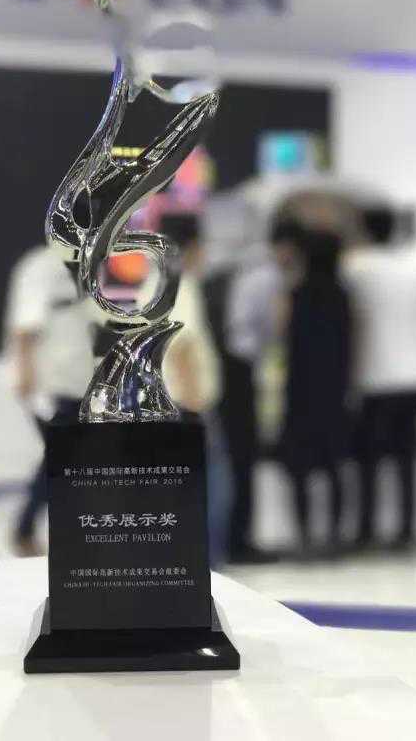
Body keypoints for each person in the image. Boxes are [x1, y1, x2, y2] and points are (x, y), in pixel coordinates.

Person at [345, 206, 416, 549]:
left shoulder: (357, 266)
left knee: (368, 459)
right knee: (406, 457)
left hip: (375, 376)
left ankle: (366, 530)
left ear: (364, 230)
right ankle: (406, 531)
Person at [5, 245, 94, 557]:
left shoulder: (89, 263)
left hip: (79, 382)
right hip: (51, 384)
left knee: (64, 459)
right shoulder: (42, 266)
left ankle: (33, 529)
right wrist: (25, 372)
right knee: (61, 458)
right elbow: (25, 325)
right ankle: (25, 530)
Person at [222, 218, 303, 563]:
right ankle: (241, 541)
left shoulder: (249, 269)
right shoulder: (270, 277)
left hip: (234, 367)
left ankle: (238, 538)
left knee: (239, 456)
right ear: (288, 247)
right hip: (243, 370)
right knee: (244, 455)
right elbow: (274, 328)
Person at [159, 214, 231, 567]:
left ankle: (188, 562)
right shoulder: (182, 285)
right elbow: (182, 343)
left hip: (167, 403)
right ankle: (208, 564)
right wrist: (193, 403)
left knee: (183, 489)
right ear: (192, 248)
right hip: (186, 404)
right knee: (214, 485)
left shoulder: (155, 283)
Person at [281, 229, 352, 556]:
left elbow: (288, 344)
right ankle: (335, 535)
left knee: (301, 469)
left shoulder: (296, 294)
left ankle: (304, 536)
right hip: (334, 392)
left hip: (301, 391)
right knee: (335, 467)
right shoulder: (342, 296)